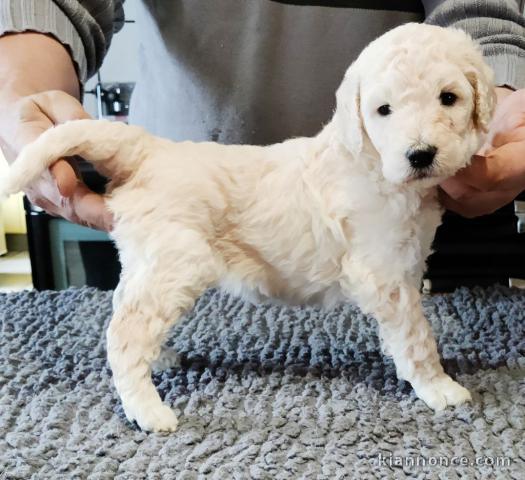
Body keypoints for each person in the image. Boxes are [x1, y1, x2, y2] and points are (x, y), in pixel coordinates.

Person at [0, 0, 524, 232]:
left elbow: (484, 13)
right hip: (189, 198)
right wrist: (21, 86)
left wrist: (499, 102)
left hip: (422, 206)